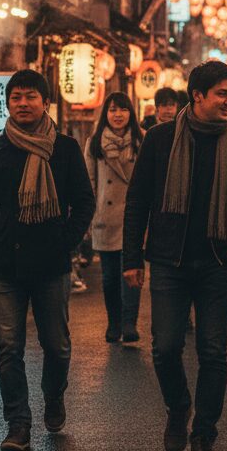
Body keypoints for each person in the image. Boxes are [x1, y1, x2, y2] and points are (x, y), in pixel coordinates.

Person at [123, 61, 227, 451]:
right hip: (168, 260)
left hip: (218, 263)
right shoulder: (160, 139)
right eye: (222, 93)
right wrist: (131, 258)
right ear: (197, 95)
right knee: (165, 347)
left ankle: (205, 427)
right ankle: (178, 406)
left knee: (213, 350)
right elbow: (138, 200)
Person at [0, 69, 96, 451]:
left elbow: (83, 202)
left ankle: (53, 395)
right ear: (8, 103)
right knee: (9, 347)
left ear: (46, 102)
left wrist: (65, 241)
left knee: (57, 345)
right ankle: (18, 423)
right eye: (16, 97)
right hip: (5, 263)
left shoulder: (64, 148)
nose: (22, 103)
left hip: (51, 264)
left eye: (30, 96)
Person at [84, 92, 144, 343]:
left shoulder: (142, 140)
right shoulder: (95, 142)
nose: (118, 115)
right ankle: (114, 322)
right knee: (109, 278)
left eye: (123, 109)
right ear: (105, 114)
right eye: (112, 110)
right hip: (105, 218)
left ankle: (129, 323)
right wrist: (89, 216)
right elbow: (90, 181)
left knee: (131, 271)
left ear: (131, 113)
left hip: (133, 219)